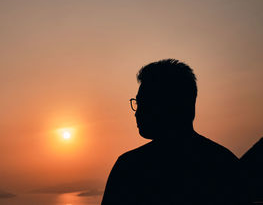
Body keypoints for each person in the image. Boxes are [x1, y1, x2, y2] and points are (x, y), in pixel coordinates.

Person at [101, 59, 247, 205]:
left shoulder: (131, 169)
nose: (137, 114)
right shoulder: (224, 163)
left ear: (172, 105)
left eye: (145, 103)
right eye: (138, 104)